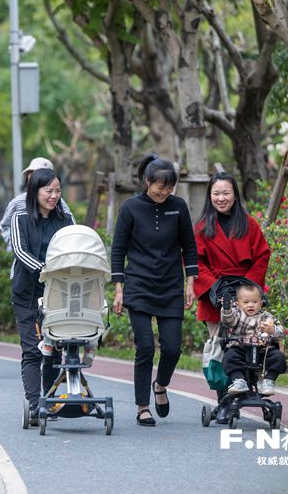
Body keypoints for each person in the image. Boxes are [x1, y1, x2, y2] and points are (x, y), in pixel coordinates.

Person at [111, 154, 198, 427]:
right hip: (138, 285)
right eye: (160, 186)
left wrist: (190, 282)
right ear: (147, 181)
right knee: (145, 347)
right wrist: (118, 290)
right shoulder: (130, 208)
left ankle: (160, 384)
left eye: (169, 187)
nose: (164, 192)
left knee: (172, 348)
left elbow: (189, 246)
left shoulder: (178, 206)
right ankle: (142, 406)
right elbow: (118, 250)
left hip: (170, 284)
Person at [193, 172, 271, 421]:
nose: (221, 198)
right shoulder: (203, 228)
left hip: (247, 297)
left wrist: (247, 289)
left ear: (235, 195)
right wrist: (215, 287)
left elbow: (262, 255)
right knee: (221, 348)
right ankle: (224, 403)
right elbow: (196, 261)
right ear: (210, 196)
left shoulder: (249, 224)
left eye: (226, 192)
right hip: (216, 296)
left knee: (249, 347)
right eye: (216, 193)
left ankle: (244, 392)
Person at [10, 168, 76, 419]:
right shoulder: (20, 218)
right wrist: (46, 270)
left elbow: (75, 250)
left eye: (57, 191)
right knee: (32, 350)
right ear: (35, 191)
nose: (53, 196)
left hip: (58, 293)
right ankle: (34, 404)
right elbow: (19, 250)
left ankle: (48, 400)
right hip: (27, 293)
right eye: (48, 190)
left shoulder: (66, 220)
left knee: (55, 349)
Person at [220, 283, 287, 396]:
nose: (250, 305)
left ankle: (268, 381)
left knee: (279, 357)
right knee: (229, 357)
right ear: (238, 303)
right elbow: (228, 322)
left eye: (255, 302)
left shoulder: (267, 317)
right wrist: (227, 310)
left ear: (261, 304)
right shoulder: (237, 314)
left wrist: (272, 330)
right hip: (240, 349)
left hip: (263, 351)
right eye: (246, 302)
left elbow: (281, 332)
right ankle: (239, 380)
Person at [1, 157, 74, 249]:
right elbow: (5, 226)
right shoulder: (17, 204)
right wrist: (17, 241)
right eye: (31, 173)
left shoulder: (59, 203)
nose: (34, 176)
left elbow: (71, 231)